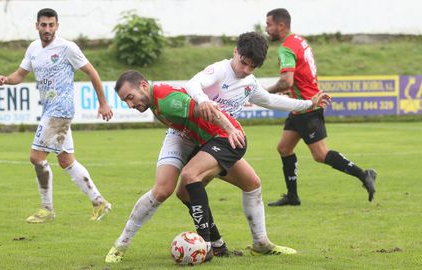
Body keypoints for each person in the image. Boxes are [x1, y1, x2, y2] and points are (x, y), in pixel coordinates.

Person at [105, 32, 330, 263]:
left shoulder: (249, 83)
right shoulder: (219, 70)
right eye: (243, 62)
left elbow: (273, 101)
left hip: (216, 136)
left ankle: (259, 243)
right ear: (235, 52)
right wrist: (203, 100)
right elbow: (193, 84)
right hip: (186, 134)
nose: (244, 70)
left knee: (251, 184)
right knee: (165, 189)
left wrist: (307, 104)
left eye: (251, 67)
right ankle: (124, 245)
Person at [0, 8, 113, 223]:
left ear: (57, 26)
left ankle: (47, 208)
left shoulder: (67, 48)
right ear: (37, 26)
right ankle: (99, 202)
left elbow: (92, 72)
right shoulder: (33, 49)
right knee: (67, 161)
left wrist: (103, 102)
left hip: (61, 110)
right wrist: (5, 80)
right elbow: (20, 75)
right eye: (43, 25)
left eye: (51, 25)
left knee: (36, 157)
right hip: (49, 109)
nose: (47, 29)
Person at [264, 8, 377, 206]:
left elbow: (286, 81)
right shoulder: (300, 40)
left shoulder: (286, 48)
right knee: (284, 148)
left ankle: (364, 174)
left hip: (308, 107)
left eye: (269, 25)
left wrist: (266, 92)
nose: (267, 29)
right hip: (300, 106)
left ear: (281, 25)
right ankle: (293, 196)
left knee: (320, 154)